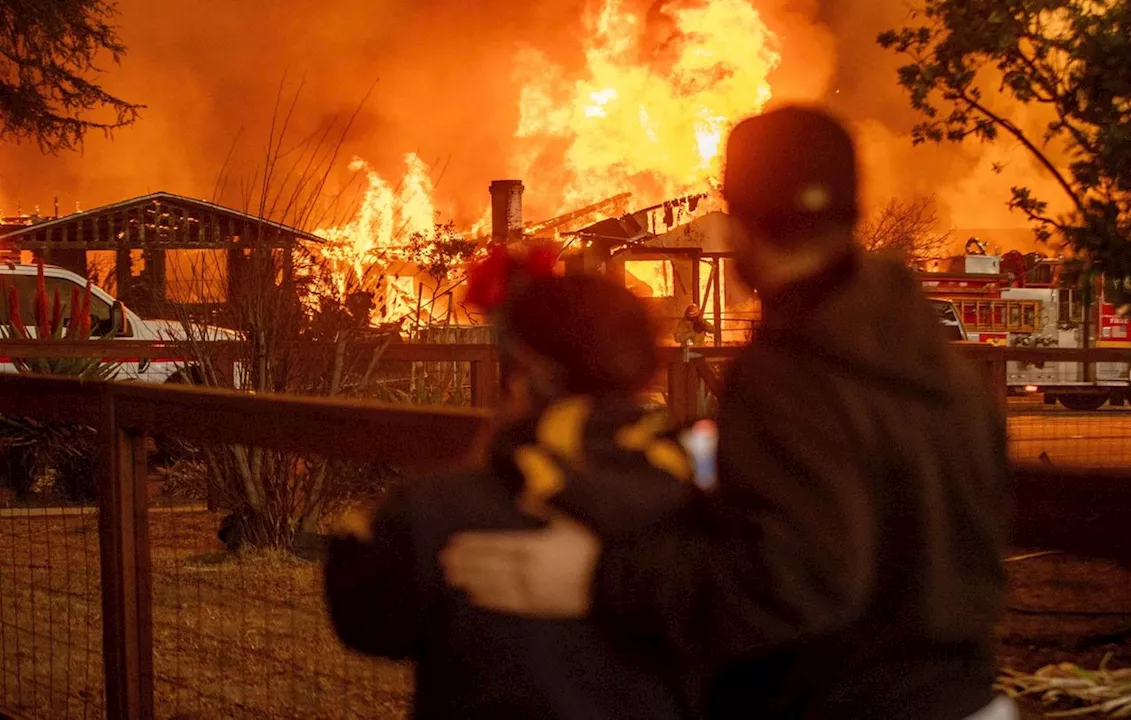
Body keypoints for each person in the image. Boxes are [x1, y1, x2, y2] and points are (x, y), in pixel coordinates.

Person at [441, 106, 1014, 720]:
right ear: (851, 209)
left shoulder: (792, 370)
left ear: (741, 222)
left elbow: (796, 576)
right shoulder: (934, 361)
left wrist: (598, 578)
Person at [325, 246, 697, 719]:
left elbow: (364, 619)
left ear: (523, 370)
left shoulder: (439, 512)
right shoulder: (704, 507)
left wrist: (481, 457)